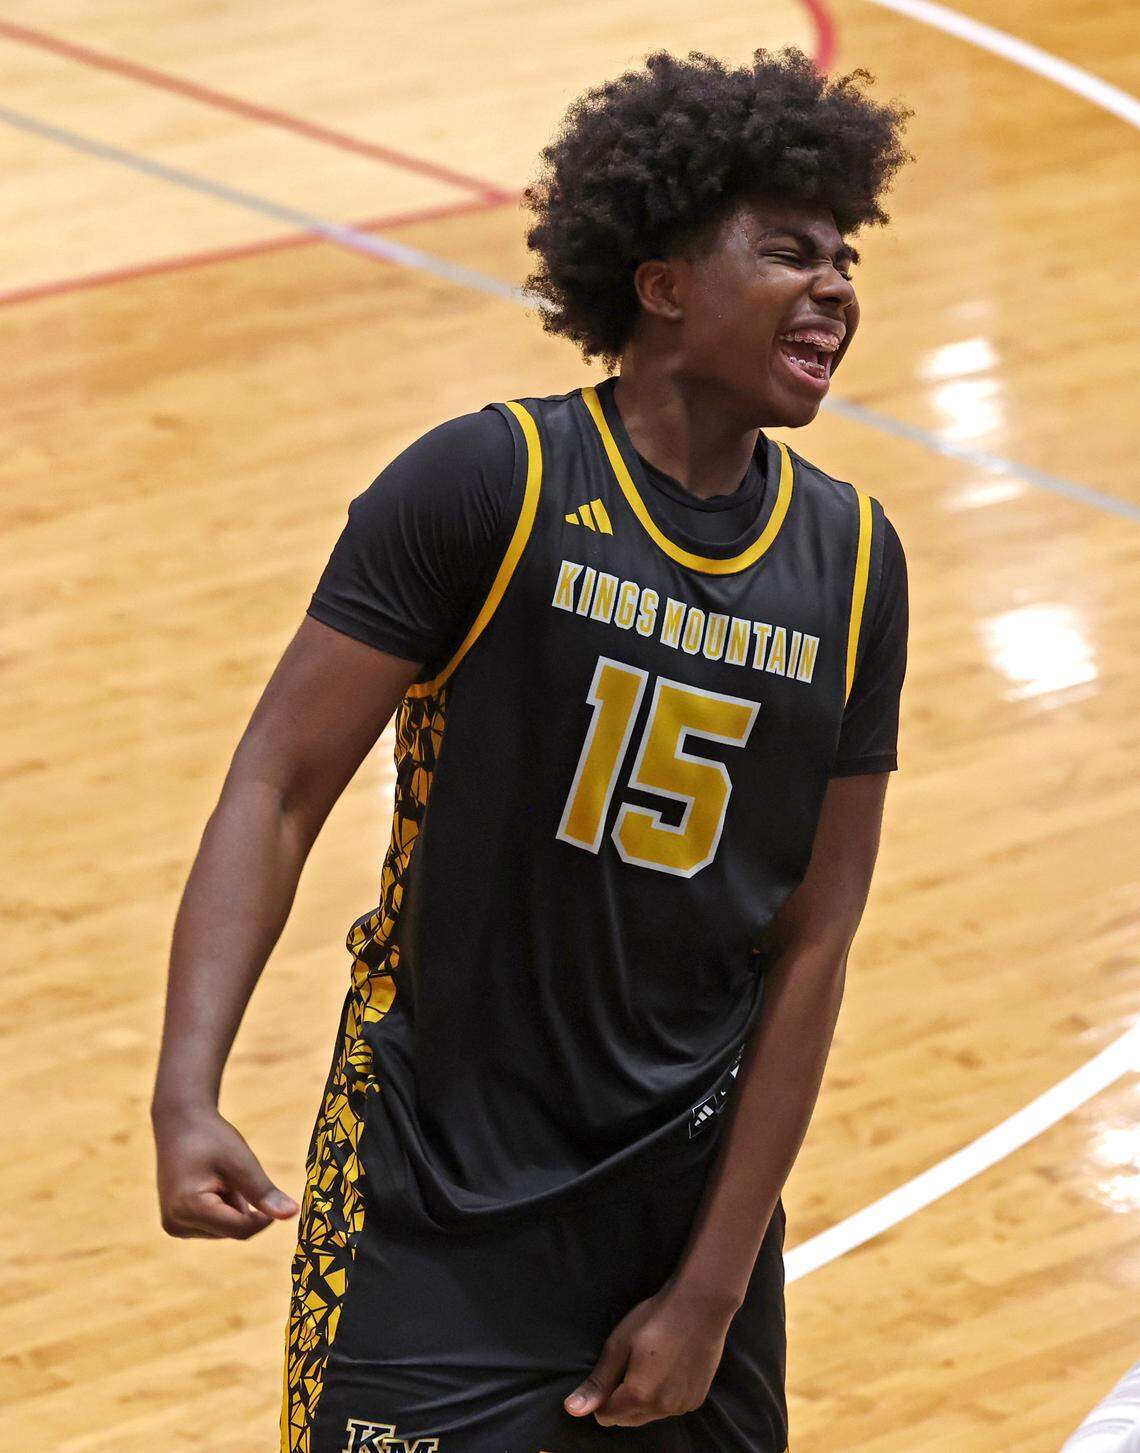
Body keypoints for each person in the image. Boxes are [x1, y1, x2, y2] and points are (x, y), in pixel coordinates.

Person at [151, 45, 913, 1453]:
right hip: (432, 1207)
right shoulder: (488, 483)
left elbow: (817, 941)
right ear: (664, 283)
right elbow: (277, 781)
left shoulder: (857, 563)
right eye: (790, 253)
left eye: (845, 256)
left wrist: (713, 1283)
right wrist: (185, 1088)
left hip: (684, 1213)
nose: (838, 289)